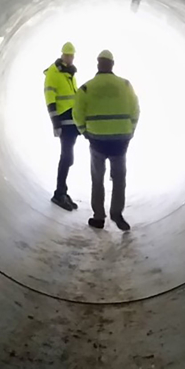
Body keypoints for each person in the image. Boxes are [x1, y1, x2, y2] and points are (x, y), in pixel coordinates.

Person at [73, 50, 139, 231]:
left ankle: (99, 217)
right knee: (119, 179)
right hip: (120, 141)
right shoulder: (125, 85)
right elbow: (135, 110)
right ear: (112, 64)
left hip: (97, 141)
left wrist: (84, 131)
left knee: (97, 178)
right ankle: (117, 214)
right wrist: (130, 130)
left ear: (98, 64)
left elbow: (77, 113)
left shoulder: (87, 88)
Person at [44, 42, 79, 211]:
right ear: (62, 55)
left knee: (68, 158)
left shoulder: (69, 74)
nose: (70, 59)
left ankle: (63, 190)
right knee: (66, 157)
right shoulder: (54, 72)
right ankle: (58, 194)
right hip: (63, 121)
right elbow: (50, 99)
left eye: (72, 56)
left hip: (71, 121)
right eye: (67, 56)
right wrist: (55, 123)